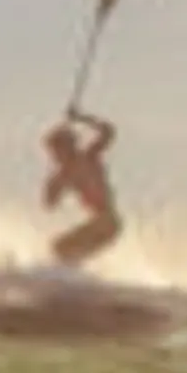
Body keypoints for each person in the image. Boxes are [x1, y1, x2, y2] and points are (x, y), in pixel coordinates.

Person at [41, 107, 123, 268]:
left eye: (55, 151)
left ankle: (72, 279)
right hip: (99, 223)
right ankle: (75, 281)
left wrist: (80, 117)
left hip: (107, 220)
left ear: (66, 147)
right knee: (60, 249)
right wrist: (51, 188)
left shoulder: (88, 157)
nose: (53, 157)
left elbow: (108, 131)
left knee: (61, 249)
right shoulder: (63, 175)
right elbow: (49, 204)